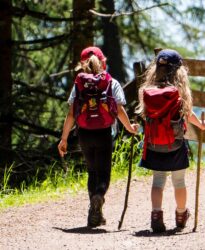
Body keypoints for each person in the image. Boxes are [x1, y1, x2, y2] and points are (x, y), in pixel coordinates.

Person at [57, 46, 139, 228]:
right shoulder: (111, 82)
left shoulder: (78, 85)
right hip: (104, 133)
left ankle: (95, 212)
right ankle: (99, 197)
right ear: (103, 62)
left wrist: (63, 139)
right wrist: (130, 128)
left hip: (84, 134)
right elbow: (118, 110)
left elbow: (71, 114)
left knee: (92, 171)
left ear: (82, 64)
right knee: (104, 173)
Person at [136, 49, 205, 233]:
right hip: (175, 145)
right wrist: (201, 125)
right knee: (179, 182)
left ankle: (156, 214)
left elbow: (144, 115)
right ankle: (181, 214)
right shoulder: (179, 92)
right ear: (179, 71)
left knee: (158, 181)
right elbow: (187, 114)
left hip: (153, 145)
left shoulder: (146, 91)